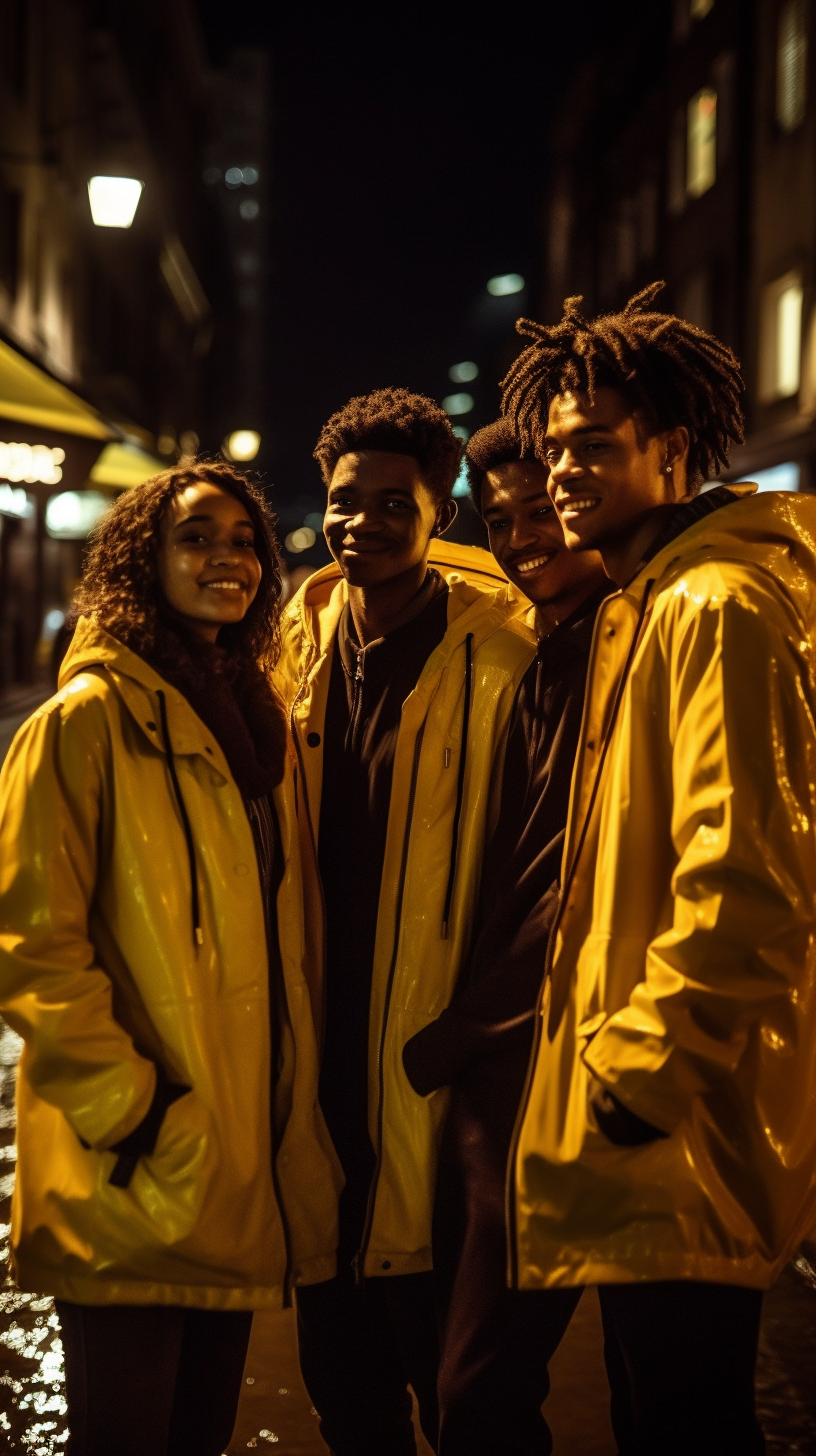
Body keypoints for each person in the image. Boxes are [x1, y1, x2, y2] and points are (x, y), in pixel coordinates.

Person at [500, 283, 816, 1455]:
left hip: (672, 1125)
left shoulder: (716, 604)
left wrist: (636, 1074)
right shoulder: (651, 601)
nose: (563, 474)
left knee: (687, 1422)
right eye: (553, 450)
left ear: (673, 451)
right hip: (646, 1125)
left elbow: (754, 873)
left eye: (592, 448)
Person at [0, 461, 341, 1456]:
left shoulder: (253, 722)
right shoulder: (85, 721)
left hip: (230, 1166)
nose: (225, 558)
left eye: (244, 540)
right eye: (195, 537)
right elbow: (30, 944)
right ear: (141, 560)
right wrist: (134, 1112)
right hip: (136, 1166)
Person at [274, 388, 537, 1456]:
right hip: (321, 1058)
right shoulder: (293, 645)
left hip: (443, 1065)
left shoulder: (506, 653)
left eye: (396, 503)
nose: (364, 523)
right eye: (347, 501)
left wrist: (471, 1031)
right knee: (344, 1387)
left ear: (440, 514)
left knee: (470, 1393)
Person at [401, 417, 610, 1455]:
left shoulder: (621, 644)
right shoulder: (548, 647)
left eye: (543, 509)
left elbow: (573, 877)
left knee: (482, 1392)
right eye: (502, 519)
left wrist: (459, 1031)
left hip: (551, 1066)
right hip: (517, 1070)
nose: (524, 535)